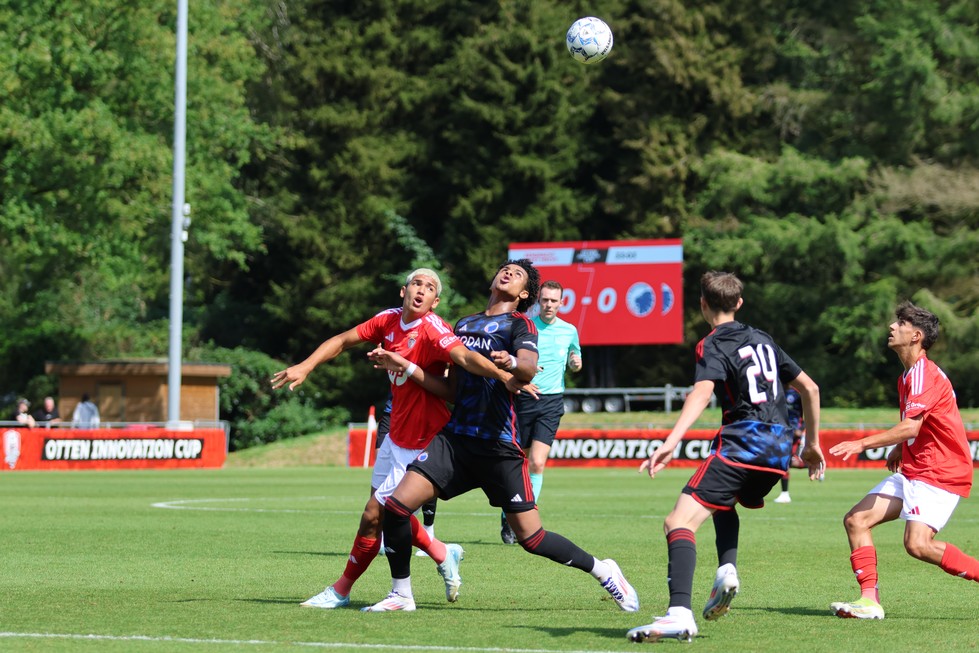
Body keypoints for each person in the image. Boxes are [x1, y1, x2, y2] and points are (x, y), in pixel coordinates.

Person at [364, 259, 638, 613]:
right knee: (396, 507)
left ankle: (603, 570)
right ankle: (401, 594)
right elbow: (450, 391)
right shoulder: (464, 324)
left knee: (532, 538)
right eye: (505, 269)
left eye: (518, 274)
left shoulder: (520, 323)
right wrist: (408, 367)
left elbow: (526, 368)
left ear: (525, 294)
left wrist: (510, 362)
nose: (508, 273)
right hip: (457, 440)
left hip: (498, 447)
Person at [270, 268, 521, 610]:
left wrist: (502, 373)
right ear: (404, 291)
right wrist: (307, 365)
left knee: (375, 515)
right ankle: (441, 552)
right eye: (417, 283)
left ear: (436, 301)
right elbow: (342, 340)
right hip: (397, 434)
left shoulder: (433, 328)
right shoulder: (387, 320)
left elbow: (462, 358)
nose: (422, 290)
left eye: (430, 287)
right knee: (388, 515)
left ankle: (343, 591)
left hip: (424, 437)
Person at [627, 271, 823, 643]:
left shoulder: (711, 344)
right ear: (739, 303)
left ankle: (679, 614)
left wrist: (671, 441)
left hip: (742, 443)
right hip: (778, 452)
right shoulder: (764, 338)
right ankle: (727, 570)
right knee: (722, 503)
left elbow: (701, 393)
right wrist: (811, 445)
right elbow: (810, 388)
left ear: (702, 304)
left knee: (677, 522)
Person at [828, 301, 979, 620]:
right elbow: (918, 425)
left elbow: (911, 425)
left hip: (940, 471)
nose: (892, 327)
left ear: (917, 336)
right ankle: (869, 601)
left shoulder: (924, 373)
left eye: (901, 323)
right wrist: (900, 449)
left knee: (918, 544)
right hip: (915, 470)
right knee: (857, 520)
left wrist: (862, 443)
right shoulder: (908, 376)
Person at [500, 280, 582, 544]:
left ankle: (524, 519)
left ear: (561, 302)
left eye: (553, 301)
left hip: (551, 402)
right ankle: (509, 513)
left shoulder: (570, 330)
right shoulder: (527, 326)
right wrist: (522, 374)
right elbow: (510, 361)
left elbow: (574, 358)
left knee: (536, 461)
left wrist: (575, 362)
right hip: (523, 398)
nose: (549, 305)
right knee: (518, 462)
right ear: (539, 301)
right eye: (545, 300)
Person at [375, 394, 439, 558]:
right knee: (381, 475)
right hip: (392, 415)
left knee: (422, 474)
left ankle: (428, 531)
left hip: (418, 418)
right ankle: (382, 535)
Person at [772, 387, 806, 503]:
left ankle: (785, 494)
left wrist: (801, 429)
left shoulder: (796, 394)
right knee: (785, 461)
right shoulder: (774, 391)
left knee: (784, 461)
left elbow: (808, 413)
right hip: (778, 431)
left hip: (792, 432)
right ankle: (814, 465)